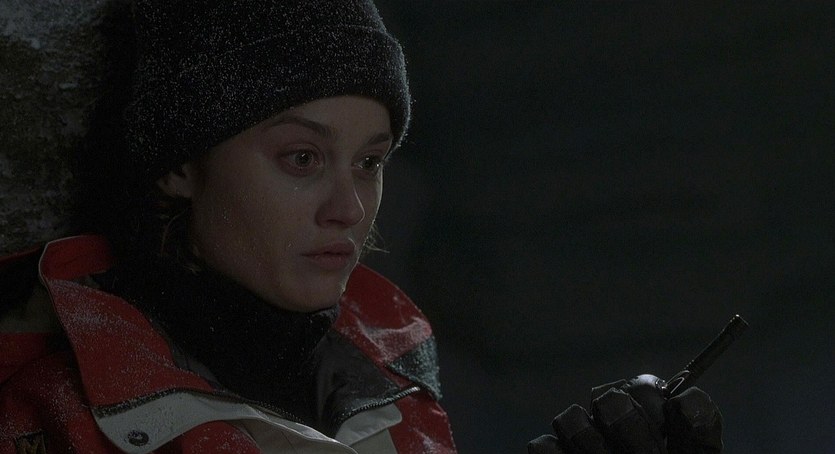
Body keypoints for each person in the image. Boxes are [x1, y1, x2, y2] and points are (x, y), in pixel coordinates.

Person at [0, 1, 723, 453]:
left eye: (370, 161)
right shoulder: (53, 418)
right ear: (179, 164)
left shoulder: (388, 388)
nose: (347, 206)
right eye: (302, 158)